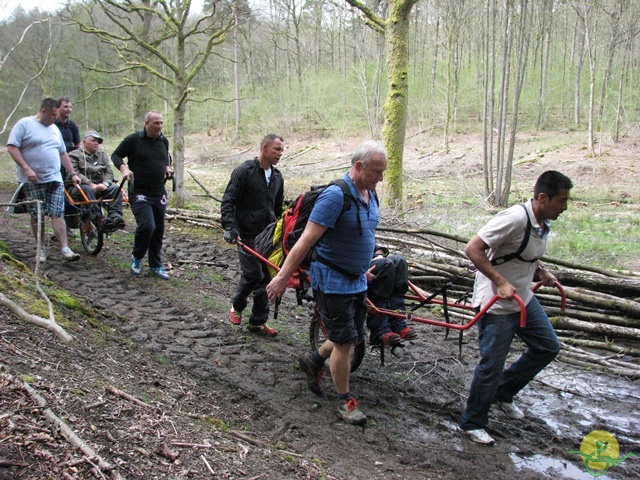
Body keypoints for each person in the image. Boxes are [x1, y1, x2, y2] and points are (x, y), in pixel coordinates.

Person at [266, 140, 387, 426]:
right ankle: (344, 401)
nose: (381, 178)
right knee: (345, 342)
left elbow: (362, 235)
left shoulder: (370, 194)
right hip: (332, 281)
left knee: (351, 336)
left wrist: (362, 268)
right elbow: (306, 240)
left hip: (357, 280)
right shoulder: (335, 196)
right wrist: (282, 277)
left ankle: (314, 360)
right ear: (359, 166)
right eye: (377, 172)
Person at [459, 170, 573, 445]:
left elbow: (523, 253)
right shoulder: (514, 218)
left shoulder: (542, 222)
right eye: (561, 201)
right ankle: (472, 423)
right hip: (496, 302)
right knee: (492, 364)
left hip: (523, 299)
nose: (565, 207)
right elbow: (472, 248)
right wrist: (499, 281)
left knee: (548, 347)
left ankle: (502, 393)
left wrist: (541, 271)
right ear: (542, 198)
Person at [220, 134, 285, 337]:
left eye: (282, 150)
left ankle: (257, 321)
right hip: (245, 234)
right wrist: (230, 227)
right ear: (265, 148)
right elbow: (228, 200)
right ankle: (236, 304)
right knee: (253, 274)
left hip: (267, 237)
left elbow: (277, 207)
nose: (280, 154)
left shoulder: (277, 177)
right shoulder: (244, 171)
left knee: (266, 278)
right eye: (277, 150)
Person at [6, 97, 82, 263]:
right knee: (37, 214)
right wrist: (26, 168)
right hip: (33, 179)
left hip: (55, 178)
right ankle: (41, 248)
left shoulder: (54, 129)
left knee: (57, 212)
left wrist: (72, 173)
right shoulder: (24, 124)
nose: (55, 118)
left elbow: (63, 152)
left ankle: (65, 248)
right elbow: (12, 147)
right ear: (43, 112)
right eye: (53, 115)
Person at [111, 110, 173, 280]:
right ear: (147, 123)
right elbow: (116, 155)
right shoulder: (134, 140)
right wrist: (124, 169)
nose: (159, 126)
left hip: (158, 192)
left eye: (161, 123)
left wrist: (168, 167)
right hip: (139, 191)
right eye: (156, 123)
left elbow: (166, 156)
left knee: (158, 229)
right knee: (147, 226)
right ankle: (137, 257)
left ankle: (156, 265)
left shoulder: (163, 140)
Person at [68, 130, 125, 232]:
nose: (96, 143)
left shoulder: (102, 155)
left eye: (98, 141)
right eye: (93, 140)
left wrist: (105, 183)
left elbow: (109, 172)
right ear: (84, 142)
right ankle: (98, 219)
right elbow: (74, 173)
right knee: (87, 189)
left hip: (100, 186)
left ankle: (115, 216)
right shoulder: (74, 155)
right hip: (80, 186)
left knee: (115, 189)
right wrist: (90, 184)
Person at [366, 244, 418, 346]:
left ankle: (398, 323)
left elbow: (367, 239)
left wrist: (378, 250)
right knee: (387, 264)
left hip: (368, 256)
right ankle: (380, 330)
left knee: (399, 260)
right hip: (352, 262)